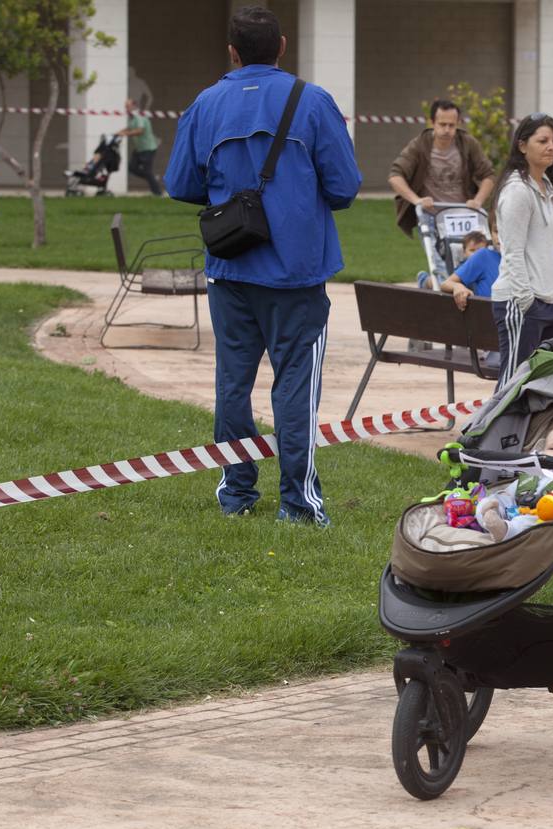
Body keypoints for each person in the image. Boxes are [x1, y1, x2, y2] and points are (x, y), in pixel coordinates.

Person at [165, 5, 362, 525]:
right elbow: (344, 188)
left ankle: (237, 494)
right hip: (297, 272)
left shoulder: (205, 104)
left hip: (230, 268)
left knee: (233, 382)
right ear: (281, 46)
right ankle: (298, 505)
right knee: (295, 385)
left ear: (231, 52)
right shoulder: (314, 102)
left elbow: (181, 185)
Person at [491, 114, 553, 387]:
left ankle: (529, 432)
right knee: (513, 384)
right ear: (522, 146)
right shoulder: (517, 191)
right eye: (543, 141)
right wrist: (527, 302)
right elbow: (512, 252)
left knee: (543, 384)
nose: (551, 147)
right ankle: (493, 431)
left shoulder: (546, 185)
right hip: (523, 303)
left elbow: (547, 248)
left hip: (552, 302)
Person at [388, 99, 496, 237]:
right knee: (436, 258)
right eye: (442, 124)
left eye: (452, 125)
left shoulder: (468, 143)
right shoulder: (419, 145)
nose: (447, 130)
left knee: (468, 256)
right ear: (432, 123)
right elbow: (395, 176)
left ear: (458, 124)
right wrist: (417, 201)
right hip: (431, 216)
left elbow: (489, 175)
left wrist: (478, 201)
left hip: (463, 215)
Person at [475, 423, 553, 540]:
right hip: (515, 508)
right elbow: (508, 493)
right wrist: (502, 501)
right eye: (552, 448)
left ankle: (504, 531)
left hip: (543, 518)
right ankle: (490, 519)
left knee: (528, 522)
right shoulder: (534, 472)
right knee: (491, 500)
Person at [116, 97, 163, 196]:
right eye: (125, 106)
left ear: (134, 106)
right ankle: (151, 178)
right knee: (132, 168)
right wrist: (118, 133)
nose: (126, 108)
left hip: (148, 148)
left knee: (147, 171)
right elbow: (129, 128)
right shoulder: (133, 118)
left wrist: (125, 134)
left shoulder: (139, 116)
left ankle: (158, 193)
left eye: (127, 106)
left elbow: (139, 131)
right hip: (139, 149)